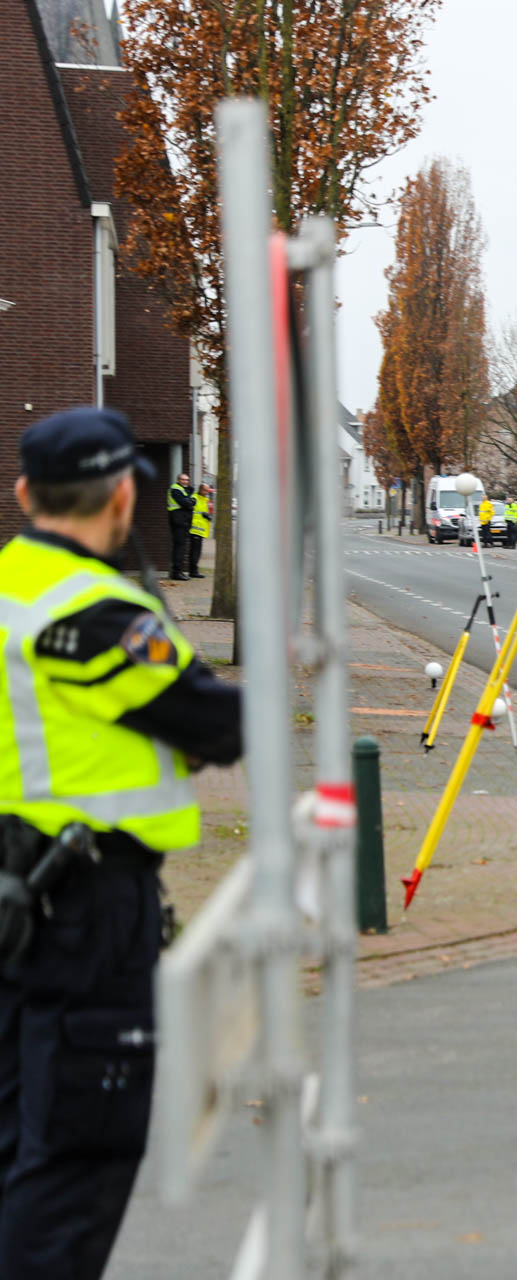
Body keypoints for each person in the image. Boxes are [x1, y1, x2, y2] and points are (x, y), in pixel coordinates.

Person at [0, 407, 243, 1280]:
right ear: (120, 499)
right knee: (77, 1159)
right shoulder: (94, 610)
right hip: (85, 911)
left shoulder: (12, 583)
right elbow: (217, 723)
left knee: (18, 1144)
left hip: (19, 897)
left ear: (25, 494)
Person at [165, 471, 192, 581]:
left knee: (181, 547)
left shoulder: (183, 489)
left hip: (182, 521)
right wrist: (190, 502)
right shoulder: (175, 489)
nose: (185, 482)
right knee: (179, 547)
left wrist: (190, 501)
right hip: (178, 520)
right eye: (183, 479)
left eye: (187, 480)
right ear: (178, 480)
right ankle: (176, 573)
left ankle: (179, 571)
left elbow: (189, 501)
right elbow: (186, 503)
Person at [188, 482, 213, 579]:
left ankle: (194, 570)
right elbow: (191, 512)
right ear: (200, 490)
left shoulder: (205, 500)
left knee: (197, 552)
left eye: (208, 490)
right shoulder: (194, 498)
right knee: (195, 552)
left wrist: (208, 516)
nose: (207, 492)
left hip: (201, 529)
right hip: (195, 529)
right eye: (205, 490)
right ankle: (193, 571)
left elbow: (206, 512)